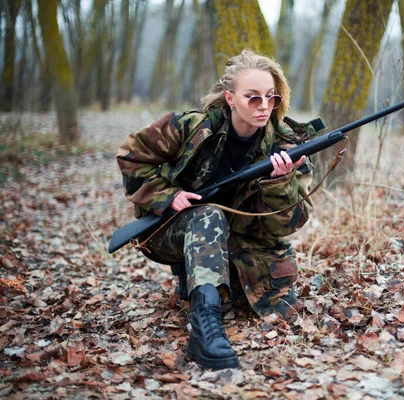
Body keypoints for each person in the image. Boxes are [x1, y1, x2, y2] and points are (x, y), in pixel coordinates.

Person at [116, 49, 326, 370]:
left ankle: (199, 279)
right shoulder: (189, 128)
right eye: (252, 98)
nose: (264, 106)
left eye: (271, 97)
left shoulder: (286, 145)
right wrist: (166, 195)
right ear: (230, 98)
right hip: (174, 229)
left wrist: (279, 183)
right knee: (208, 214)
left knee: (266, 301)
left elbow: (287, 225)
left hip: (240, 238)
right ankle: (205, 329)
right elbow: (132, 155)